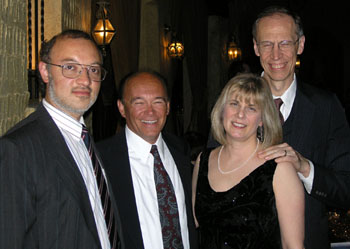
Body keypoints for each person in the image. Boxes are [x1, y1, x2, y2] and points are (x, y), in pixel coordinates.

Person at [0, 30, 123, 249]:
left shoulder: (85, 141)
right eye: (70, 67)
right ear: (45, 72)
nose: (85, 80)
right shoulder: (18, 149)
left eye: (93, 70)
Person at [252, 6, 350, 249]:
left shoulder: (326, 107)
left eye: (285, 42)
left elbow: (345, 188)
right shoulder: (232, 105)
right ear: (255, 47)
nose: (276, 54)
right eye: (267, 44)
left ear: (301, 44)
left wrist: (306, 168)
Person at [192, 73, 305, 249]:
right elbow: (195, 227)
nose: (240, 114)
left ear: (261, 119)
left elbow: (293, 245)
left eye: (251, 108)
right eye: (234, 104)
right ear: (222, 110)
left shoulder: (279, 167)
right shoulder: (203, 160)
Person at [97, 71, 198, 249]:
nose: (150, 111)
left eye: (158, 102)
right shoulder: (101, 160)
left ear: (167, 107)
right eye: (139, 102)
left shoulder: (180, 150)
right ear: (121, 108)